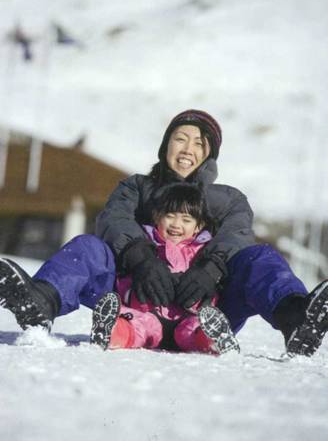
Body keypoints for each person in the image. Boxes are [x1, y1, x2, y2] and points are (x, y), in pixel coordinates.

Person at [0, 109, 327, 356]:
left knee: (261, 257)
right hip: (133, 302)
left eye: (200, 143)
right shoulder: (136, 187)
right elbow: (114, 219)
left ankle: (295, 318)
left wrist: (211, 269)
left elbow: (237, 236)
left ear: (208, 155)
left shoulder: (228, 200)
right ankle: (41, 303)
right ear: (166, 144)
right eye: (181, 138)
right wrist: (140, 256)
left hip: (207, 311)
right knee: (87, 247)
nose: (188, 148)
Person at [90, 182, 240, 355]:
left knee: (195, 328)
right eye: (170, 216)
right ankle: (112, 333)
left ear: (198, 226)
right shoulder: (144, 247)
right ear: (157, 217)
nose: (176, 224)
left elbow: (210, 289)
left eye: (186, 220)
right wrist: (134, 290)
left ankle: (214, 340)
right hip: (148, 313)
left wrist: (196, 298)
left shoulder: (203, 254)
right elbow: (125, 280)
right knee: (136, 325)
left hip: (187, 317)